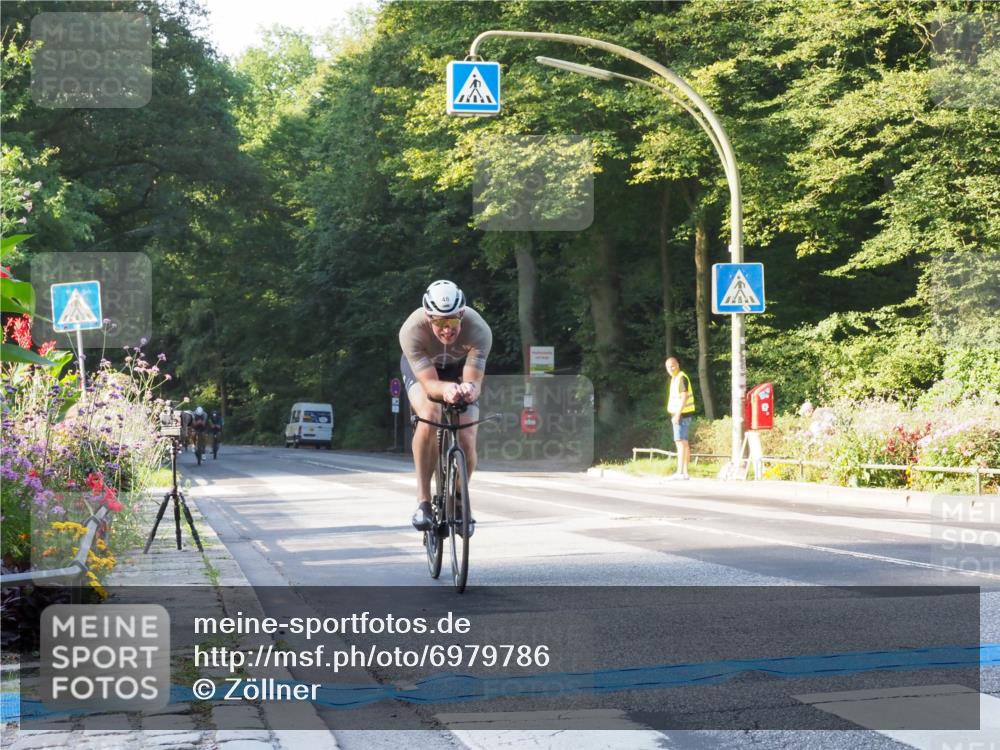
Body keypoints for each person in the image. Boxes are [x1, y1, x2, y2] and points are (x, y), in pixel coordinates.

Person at [400, 280, 492, 535]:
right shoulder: (412, 331)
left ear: (462, 314)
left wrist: (468, 389)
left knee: (466, 433)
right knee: (431, 414)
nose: (446, 330)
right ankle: (423, 501)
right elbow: (430, 385)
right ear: (428, 317)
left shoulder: (479, 330)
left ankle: (460, 499)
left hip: (458, 370)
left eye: (452, 322)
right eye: (439, 322)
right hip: (424, 373)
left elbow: (474, 380)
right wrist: (446, 390)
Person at [665, 357, 696, 480]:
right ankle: (685, 472)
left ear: (677, 365)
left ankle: (680, 473)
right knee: (684, 443)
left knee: (680, 443)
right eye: (668, 367)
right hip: (682, 414)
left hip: (681, 415)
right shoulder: (676, 378)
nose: (671, 369)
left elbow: (684, 397)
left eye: (673, 366)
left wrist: (677, 414)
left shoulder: (681, 377)